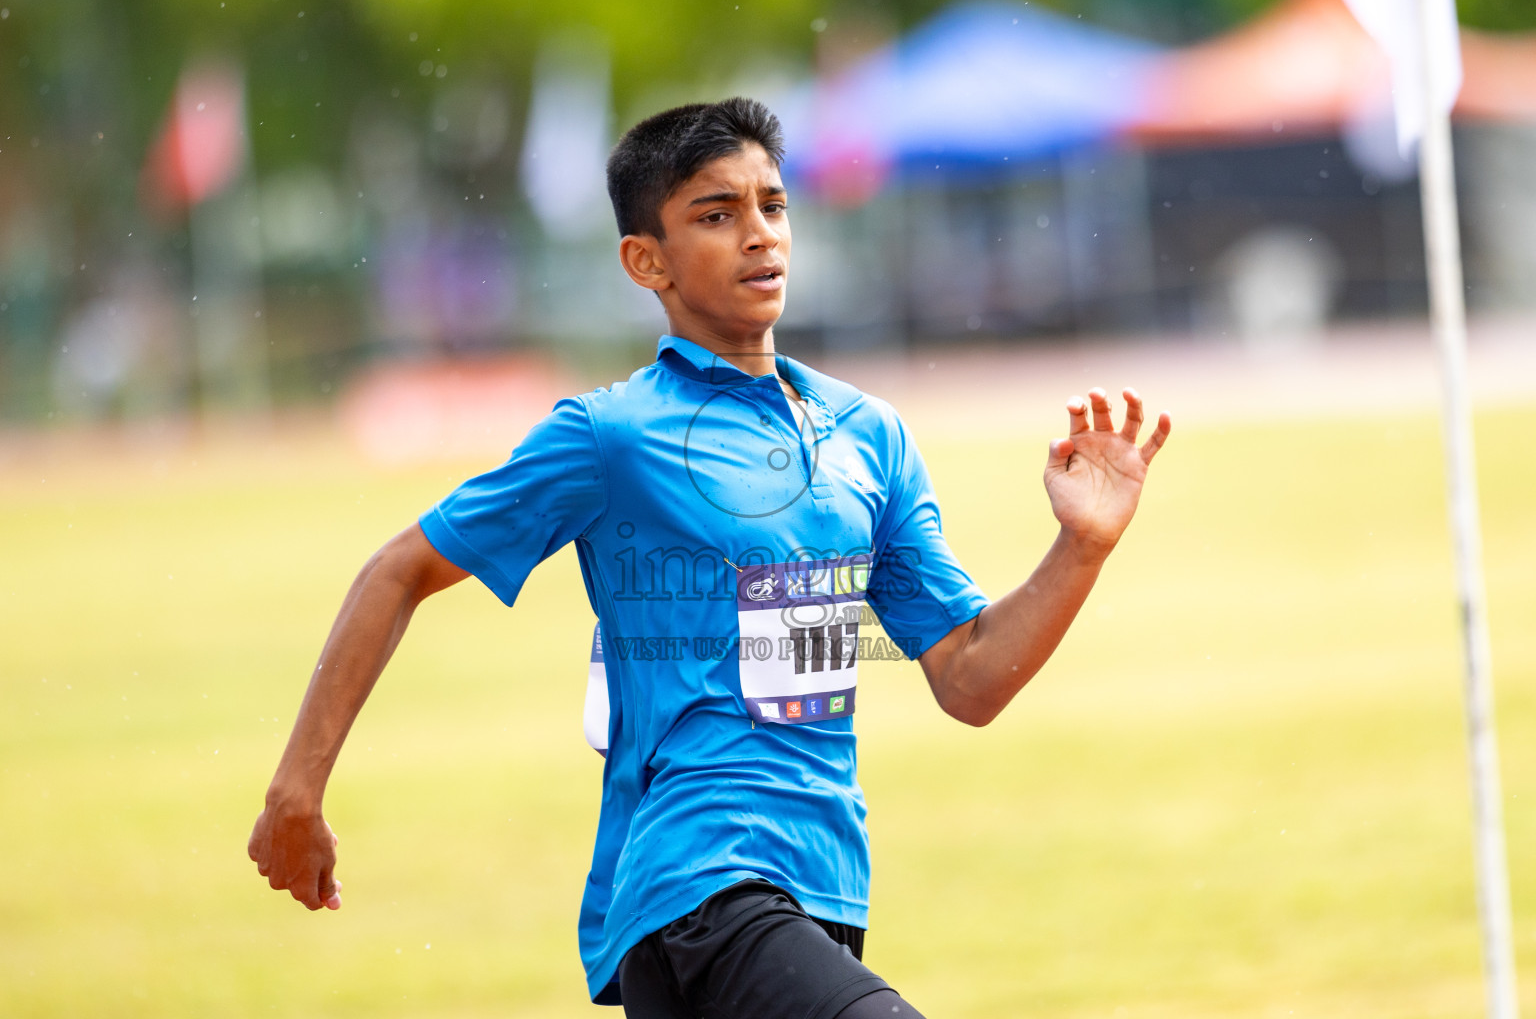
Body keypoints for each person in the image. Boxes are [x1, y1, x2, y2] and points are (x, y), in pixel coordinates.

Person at [248, 97, 1171, 1018]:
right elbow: (399, 569)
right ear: (645, 260)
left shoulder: (868, 437)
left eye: (773, 205)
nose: (760, 235)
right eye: (717, 214)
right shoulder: (609, 434)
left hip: (825, 890)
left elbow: (970, 678)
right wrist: (297, 789)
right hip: (697, 886)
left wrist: (1079, 548)